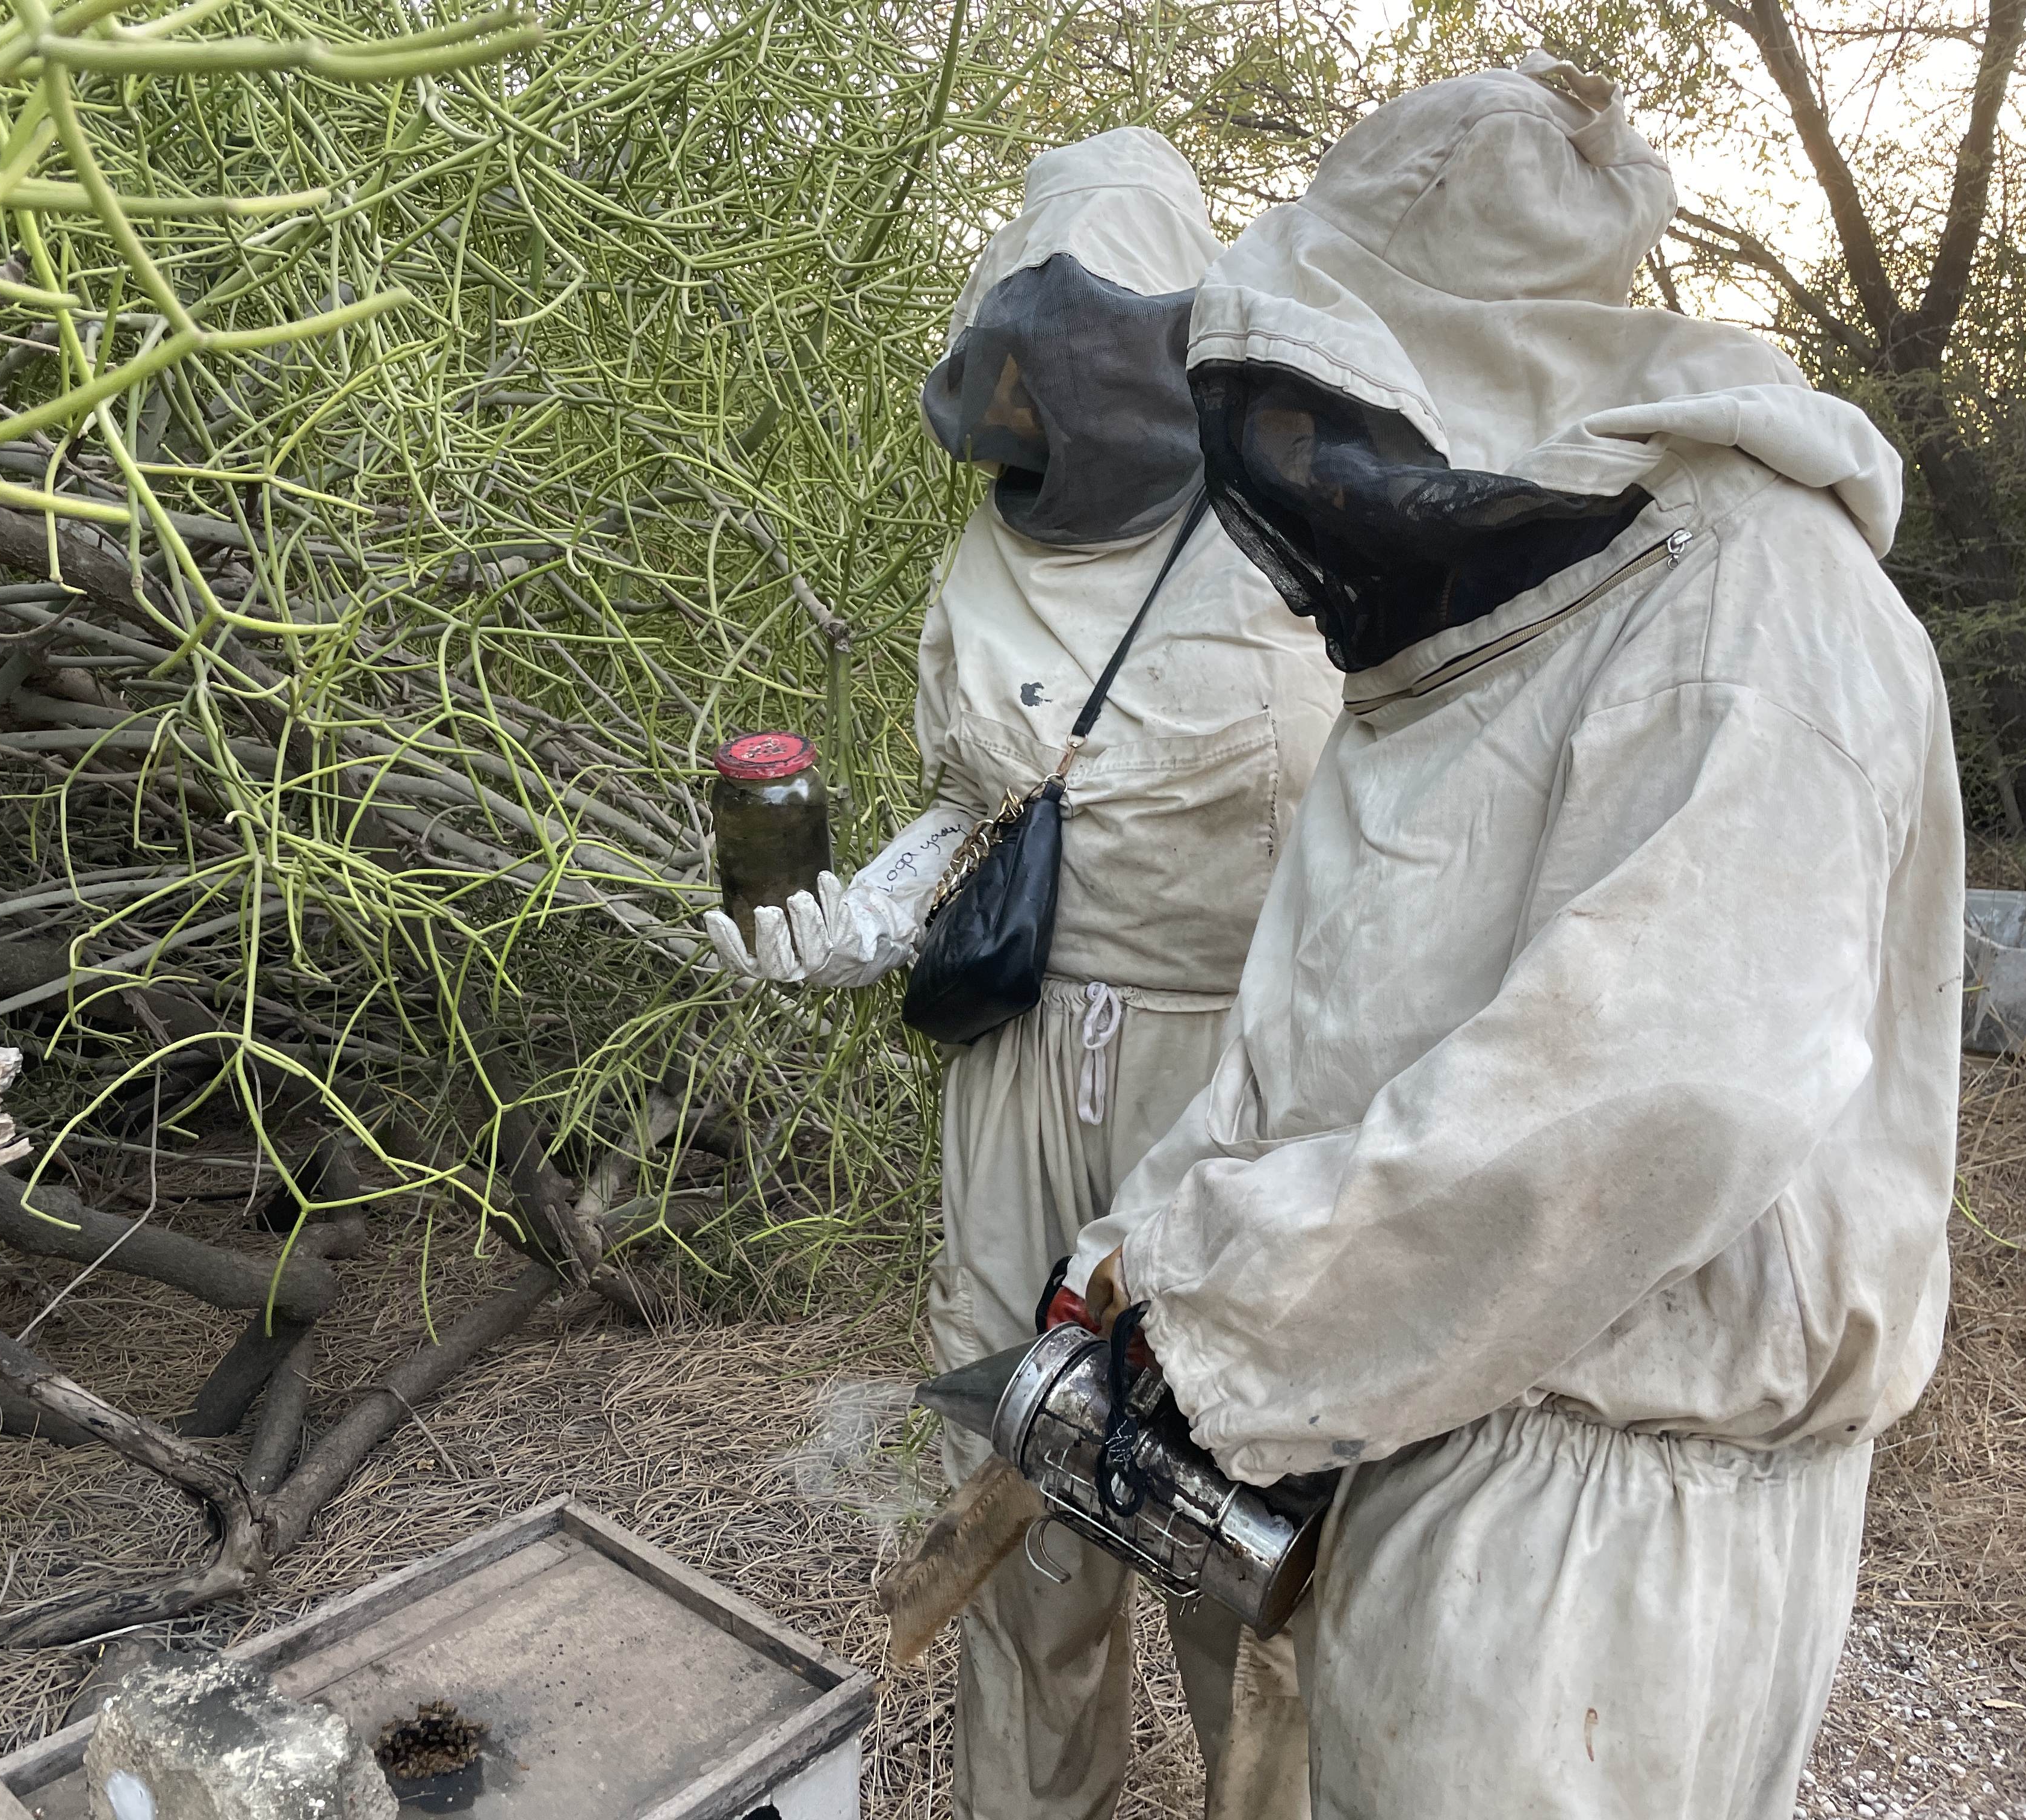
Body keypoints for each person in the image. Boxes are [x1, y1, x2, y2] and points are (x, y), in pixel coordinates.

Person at [1068, 54, 1963, 1820]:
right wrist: (1149, 1247)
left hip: (1603, 1514)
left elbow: (1665, 1087)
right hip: (1457, 1423)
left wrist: (1233, 1324)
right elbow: (1339, 1015)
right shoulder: (1508, 643)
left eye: (1329, 421)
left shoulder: (1752, 606)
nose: (1310, 481)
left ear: (1462, 359)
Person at [707, 128, 1344, 1820]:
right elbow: (988, 799)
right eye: (1038, 352)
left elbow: (1398, 822)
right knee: (1024, 1492)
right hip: (1021, 1073)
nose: (1069, 382)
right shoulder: (988, 554)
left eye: (1106, 344)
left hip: (1241, 1085)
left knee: (1236, 1512)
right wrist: (870, 913)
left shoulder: (1299, 520)